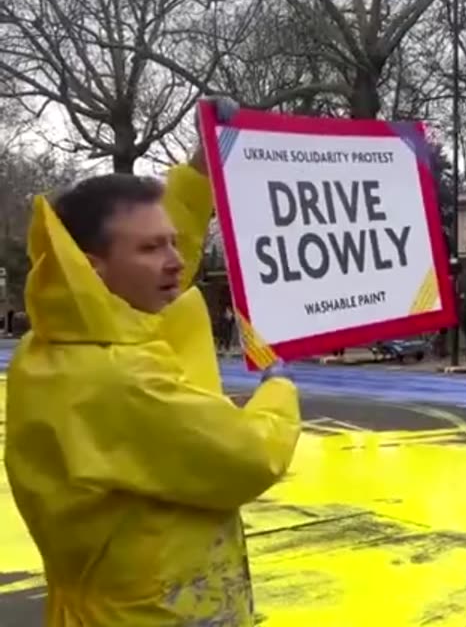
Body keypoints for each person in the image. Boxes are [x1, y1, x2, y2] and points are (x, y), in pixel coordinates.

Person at [4, 99, 302, 627]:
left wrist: (198, 172)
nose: (175, 261)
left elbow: (163, 255)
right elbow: (250, 457)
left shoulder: (59, 342)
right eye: (150, 248)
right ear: (91, 270)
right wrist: (278, 385)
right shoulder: (118, 376)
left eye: (172, 242)